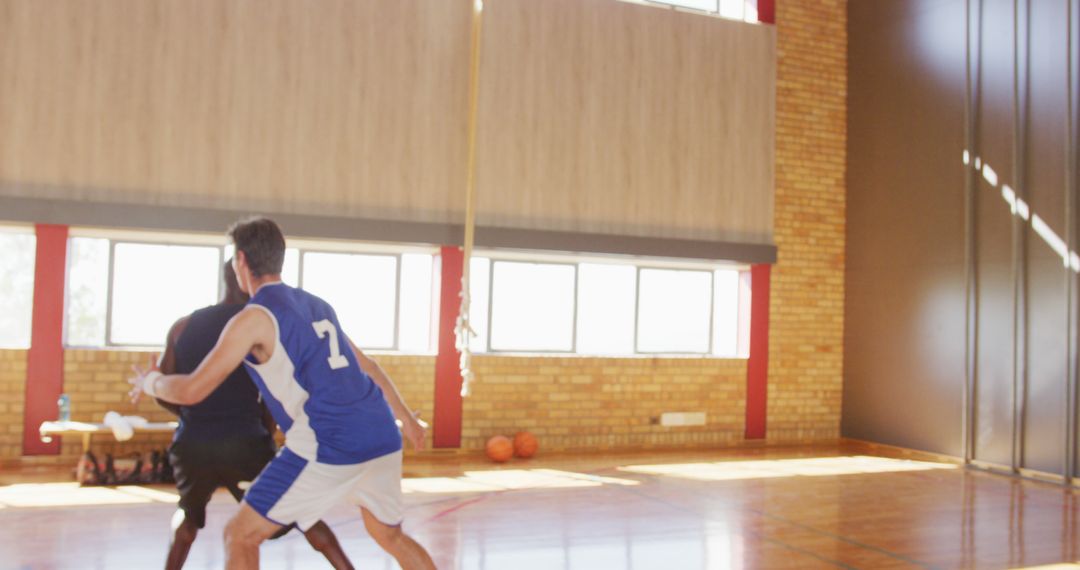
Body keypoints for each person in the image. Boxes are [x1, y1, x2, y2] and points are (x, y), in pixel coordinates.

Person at [130, 217, 434, 570]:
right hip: (381, 433)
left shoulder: (254, 318)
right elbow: (370, 367)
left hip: (328, 440)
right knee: (390, 535)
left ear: (241, 260)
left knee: (240, 534)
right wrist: (407, 419)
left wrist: (151, 381)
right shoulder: (318, 305)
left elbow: (192, 389)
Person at [156, 262, 353, 570]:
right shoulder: (259, 325)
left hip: (192, 443)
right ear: (245, 278)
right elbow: (276, 393)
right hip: (245, 442)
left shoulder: (182, 326)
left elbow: (164, 389)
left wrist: (195, 415)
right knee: (300, 512)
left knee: (187, 516)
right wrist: (267, 433)